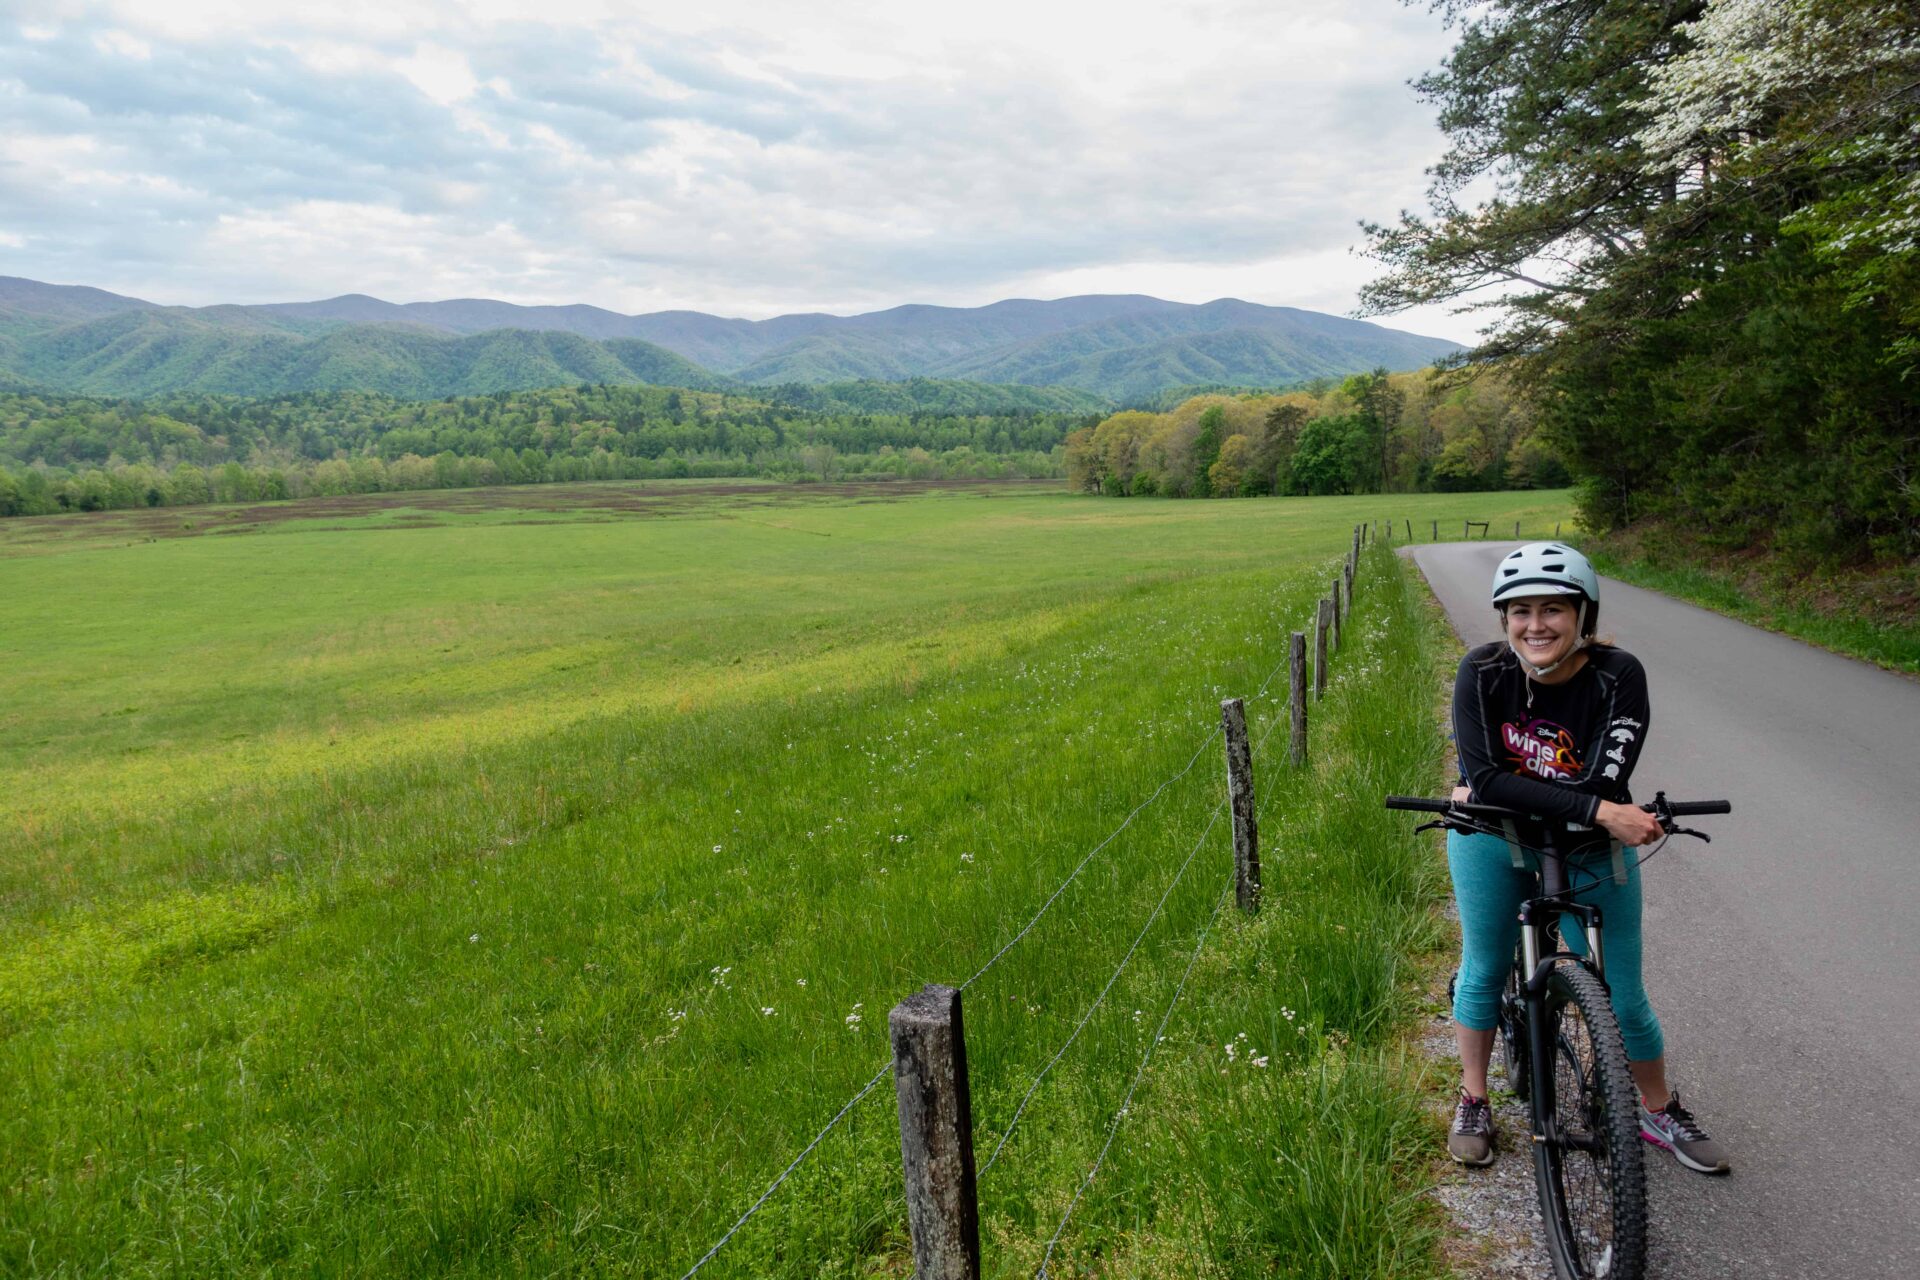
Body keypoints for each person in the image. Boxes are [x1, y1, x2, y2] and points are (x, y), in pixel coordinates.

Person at [1444, 542, 1730, 1174]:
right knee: (1486, 968)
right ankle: (1473, 1096)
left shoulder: (1618, 674)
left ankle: (1658, 1107)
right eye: (1519, 611)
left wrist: (1516, 791)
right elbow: (1492, 786)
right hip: (1492, 836)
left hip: (1586, 847)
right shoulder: (1482, 671)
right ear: (1503, 619)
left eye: (1553, 609)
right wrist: (1601, 811)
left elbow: (1596, 778)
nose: (1535, 624)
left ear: (1583, 616)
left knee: (1623, 996)